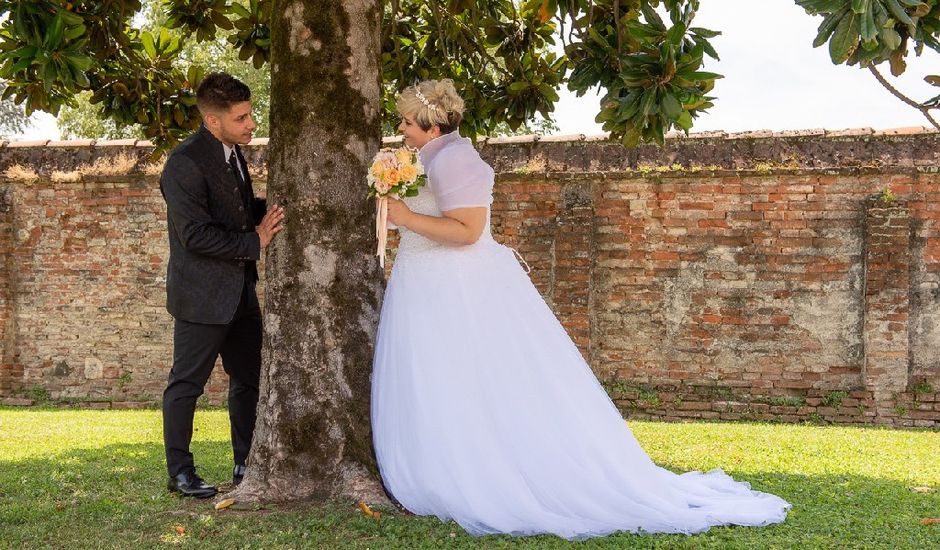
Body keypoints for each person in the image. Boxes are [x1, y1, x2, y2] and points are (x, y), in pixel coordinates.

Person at [371, 79, 790, 539]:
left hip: (455, 289)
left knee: (470, 381)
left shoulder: (456, 160)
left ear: (431, 127)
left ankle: (478, 474)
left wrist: (406, 218)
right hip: (427, 287)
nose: (401, 129)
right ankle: (442, 465)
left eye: (408, 122)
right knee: (440, 381)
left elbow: (469, 231)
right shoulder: (430, 158)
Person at [160, 72, 284, 498]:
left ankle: (245, 461)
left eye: (251, 115)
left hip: (241, 294)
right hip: (201, 295)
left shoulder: (233, 153)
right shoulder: (184, 163)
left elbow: (237, 209)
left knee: (248, 378)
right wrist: (256, 240)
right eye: (242, 118)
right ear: (213, 121)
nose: (252, 125)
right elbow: (194, 235)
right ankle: (180, 473)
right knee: (186, 384)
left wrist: (275, 208)